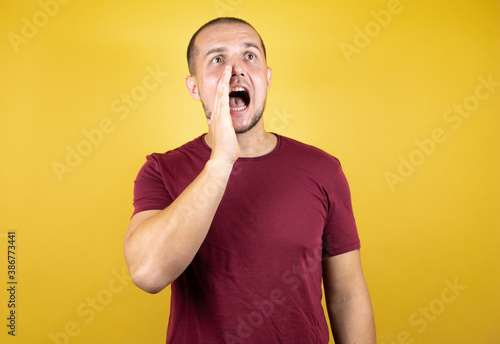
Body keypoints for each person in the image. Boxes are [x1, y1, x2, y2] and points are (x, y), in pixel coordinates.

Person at [123, 17, 376, 344]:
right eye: (217, 60)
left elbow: (347, 295)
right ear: (194, 86)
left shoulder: (323, 169)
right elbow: (147, 273)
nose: (235, 70)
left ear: (267, 78)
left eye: (249, 56)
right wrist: (222, 161)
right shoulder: (161, 170)